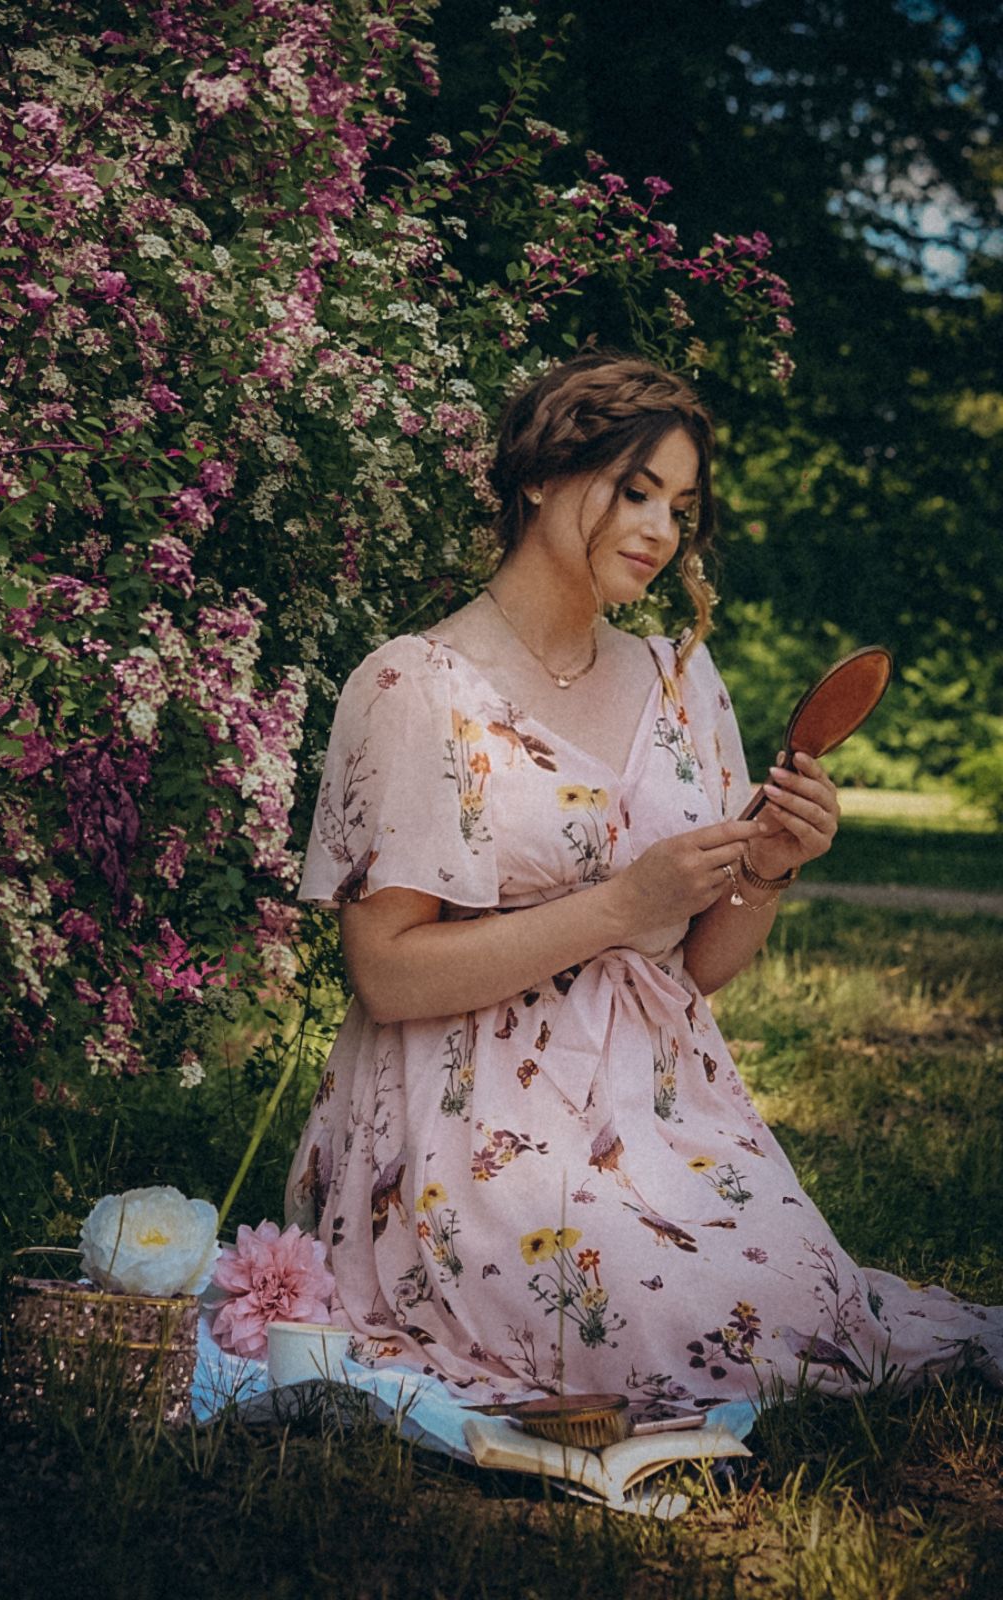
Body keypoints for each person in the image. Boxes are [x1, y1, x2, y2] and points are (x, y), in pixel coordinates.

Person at [284, 350, 1001, 1406]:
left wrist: (765, 869)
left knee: (801, 1311)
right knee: (655, 1325)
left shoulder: (680, 678)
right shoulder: (414, 687)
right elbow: (386, 974)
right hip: (466, 1122)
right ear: (537, 475)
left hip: (665, 1107)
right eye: (635, 491)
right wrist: (620, 904)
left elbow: (699, 966)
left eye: (681, 506)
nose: (662, 531)